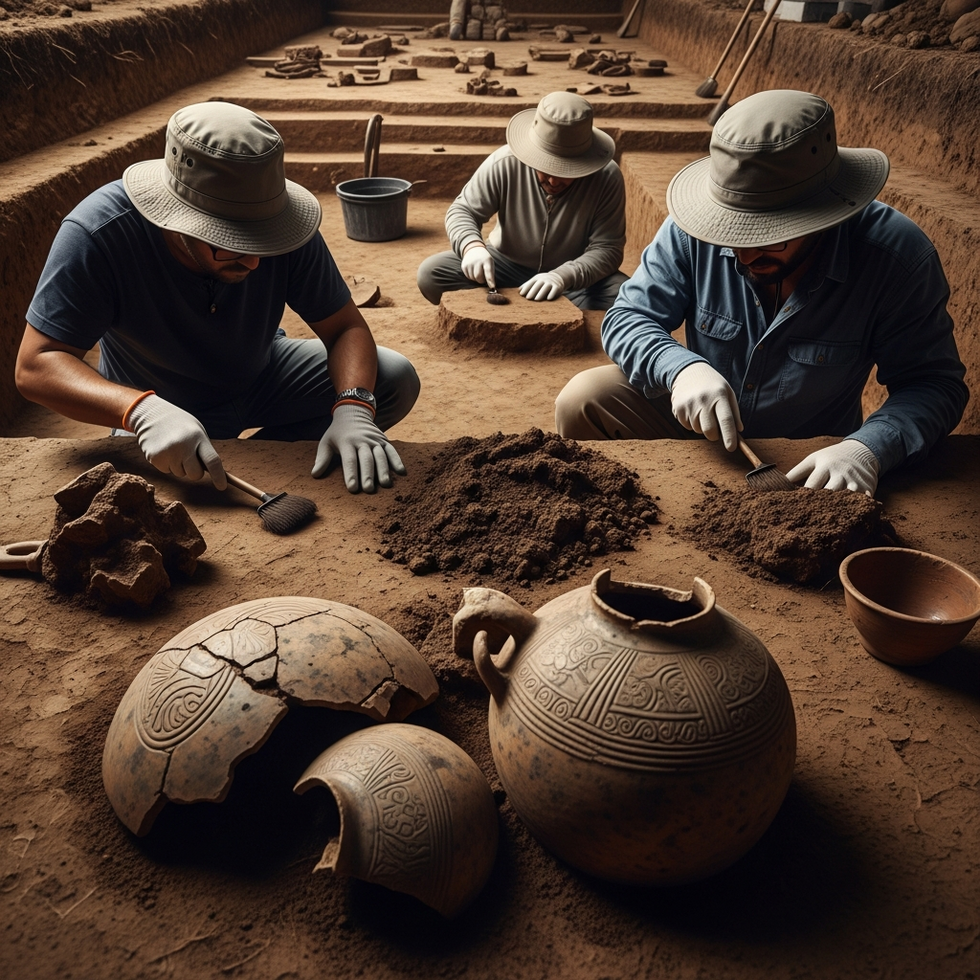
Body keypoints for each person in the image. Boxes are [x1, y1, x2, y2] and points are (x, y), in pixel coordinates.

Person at [555, 89, 969, 495]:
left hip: (812, 456)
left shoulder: (895, 258)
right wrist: (679, 368)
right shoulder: (693, 229)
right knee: (584, 398)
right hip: (702, 434)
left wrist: (867, 449)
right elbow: (628, 317)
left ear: (823, 215)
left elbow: (932, 383)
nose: (743, 252)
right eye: (730, 230)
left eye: (769, 235)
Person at [15, 101, 419, 495]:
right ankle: (220, 451)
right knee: (151, 496)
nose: (256, 262)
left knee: (393, 378)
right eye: (231, 244)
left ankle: (262, 454)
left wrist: (354, 407)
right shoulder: (99, 235)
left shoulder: (281, 223)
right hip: (165, 409)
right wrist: (139, 411)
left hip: (264, 373)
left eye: (264, 242)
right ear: (174, 218)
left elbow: (345, 326)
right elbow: (36, 364)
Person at [416, 91, 628, 311]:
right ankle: (542, 308)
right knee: (431, 274)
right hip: (504, 266)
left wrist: (563, 276)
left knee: (629, 297)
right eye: (546, 167)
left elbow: (608, 248)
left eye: (566, 170)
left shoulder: (607, 177)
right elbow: (463, 210)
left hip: (573, 278)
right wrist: (472, 246)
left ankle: (546, 306)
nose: (554, 180)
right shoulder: (503, 162)